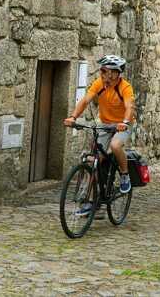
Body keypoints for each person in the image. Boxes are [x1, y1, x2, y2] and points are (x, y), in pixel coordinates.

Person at [64, 55, 135, 214]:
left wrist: (124, 122)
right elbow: (85, 101)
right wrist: (73, 117)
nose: (105, 76)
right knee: (95, 161)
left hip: (123, 124)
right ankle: (91, 202)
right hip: (104, 124)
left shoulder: (125, 87)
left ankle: (124, 175)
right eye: (103, 71)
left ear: (118, 74)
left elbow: (129, 107)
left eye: (110, 72)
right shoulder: (99, 84)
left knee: (115, 145)